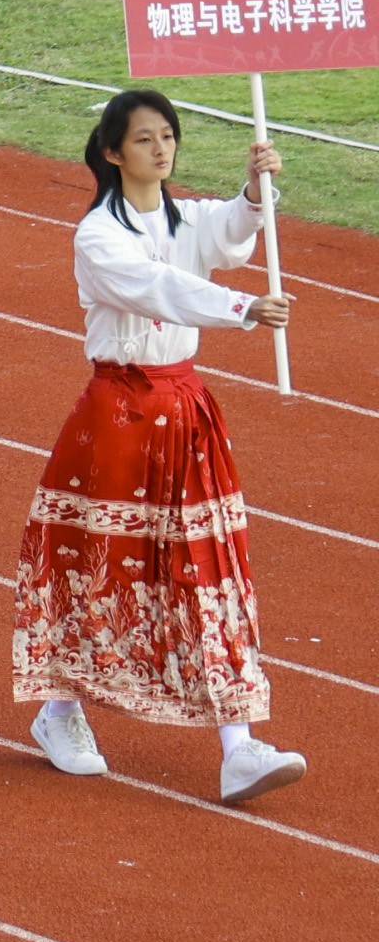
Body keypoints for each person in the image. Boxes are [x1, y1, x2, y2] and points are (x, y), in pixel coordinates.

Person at [15, 89, 305, 804]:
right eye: (145, 139)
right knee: (101, 565)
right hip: (116, 414)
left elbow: (227, 236)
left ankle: (239, 745)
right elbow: (155, 286)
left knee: (208, 566)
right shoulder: (97, 236)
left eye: (168, 136)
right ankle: (60, 710)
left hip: (185, 411)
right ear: (113, 152)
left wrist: (254, 192)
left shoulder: (188, 217)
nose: (161, 148)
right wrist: (240, 307)